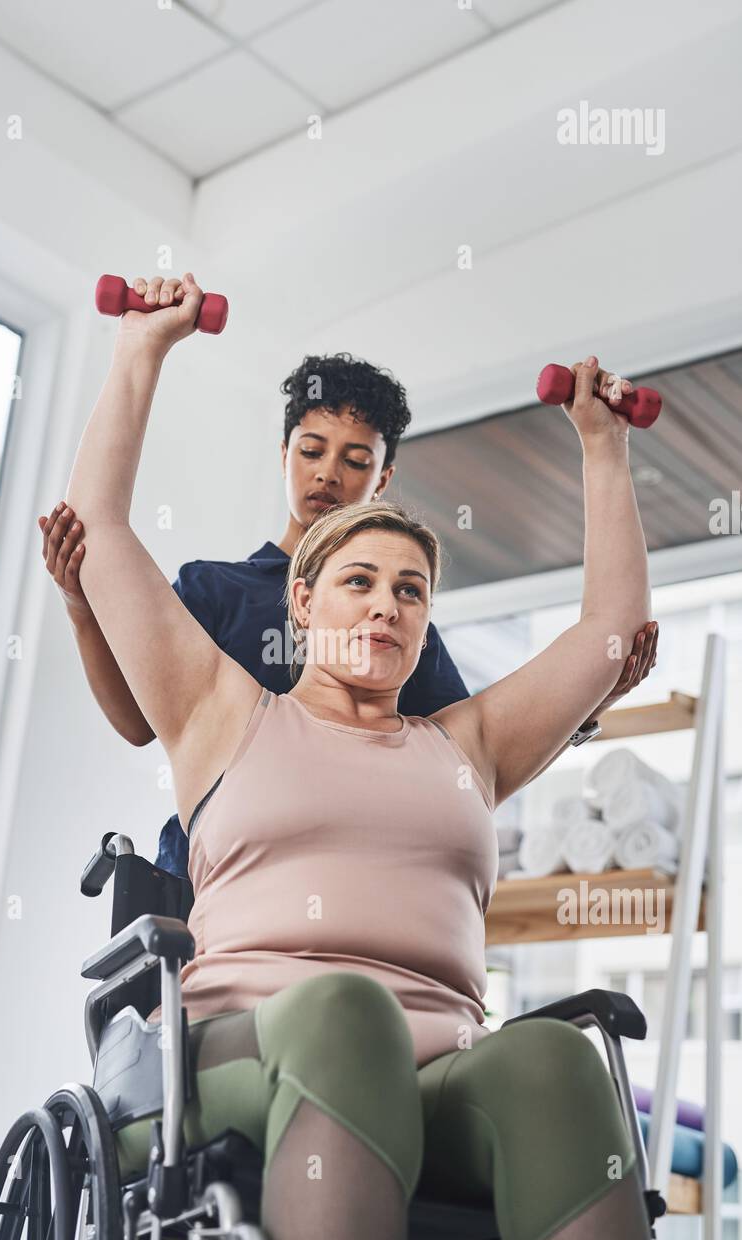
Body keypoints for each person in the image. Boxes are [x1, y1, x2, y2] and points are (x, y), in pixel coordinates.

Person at [57, 272, 662, 1240]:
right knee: (349, 1013)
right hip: (254, 1044)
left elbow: (608, 634)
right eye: (359, 582)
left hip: (440, 1068)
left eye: (411, 589)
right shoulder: (224, 712)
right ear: (303, 595)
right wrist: (140, 351)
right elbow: (102, 532)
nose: (386, 606)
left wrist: (604, 447)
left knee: (554, 1060)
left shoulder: (463, 741)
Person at [40, 301, 657, 882]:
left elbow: (486, 764)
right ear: (303, 603)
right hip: (211, 883)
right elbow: (142, 717)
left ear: (383, 478)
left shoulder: (410, 654)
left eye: (409, 591)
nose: (329, 473)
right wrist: (84, 607)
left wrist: (587, 699)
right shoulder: (216, 606)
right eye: (312, 451)